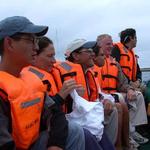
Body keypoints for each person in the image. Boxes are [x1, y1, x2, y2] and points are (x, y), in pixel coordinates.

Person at [0, 16, 85, 150]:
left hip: (34, 143)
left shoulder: (31, 80)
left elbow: (56, 114)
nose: (36, 47)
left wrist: (55, 145)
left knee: (74, 130)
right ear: (9, 43)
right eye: (30, 40)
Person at [63, 39, 118, 147]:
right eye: (88, 51)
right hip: (76, 120)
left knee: (113, 109)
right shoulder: (66, 77)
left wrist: (105, 100)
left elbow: (97, 95)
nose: (93, 54)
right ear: (75, 55)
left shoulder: (89, 74)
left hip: (90, 116)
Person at [97, 34, 148, 147]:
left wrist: (130, 89)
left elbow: (123, 83)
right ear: (99, 45)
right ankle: (127, 137)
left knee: (138, 95)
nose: (111, 46)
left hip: (114, 93)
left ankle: (132, 131)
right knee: (120, 99)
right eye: (108, 44)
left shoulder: (115, 63)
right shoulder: (94, 61)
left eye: (111, 43)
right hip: (102, 96)